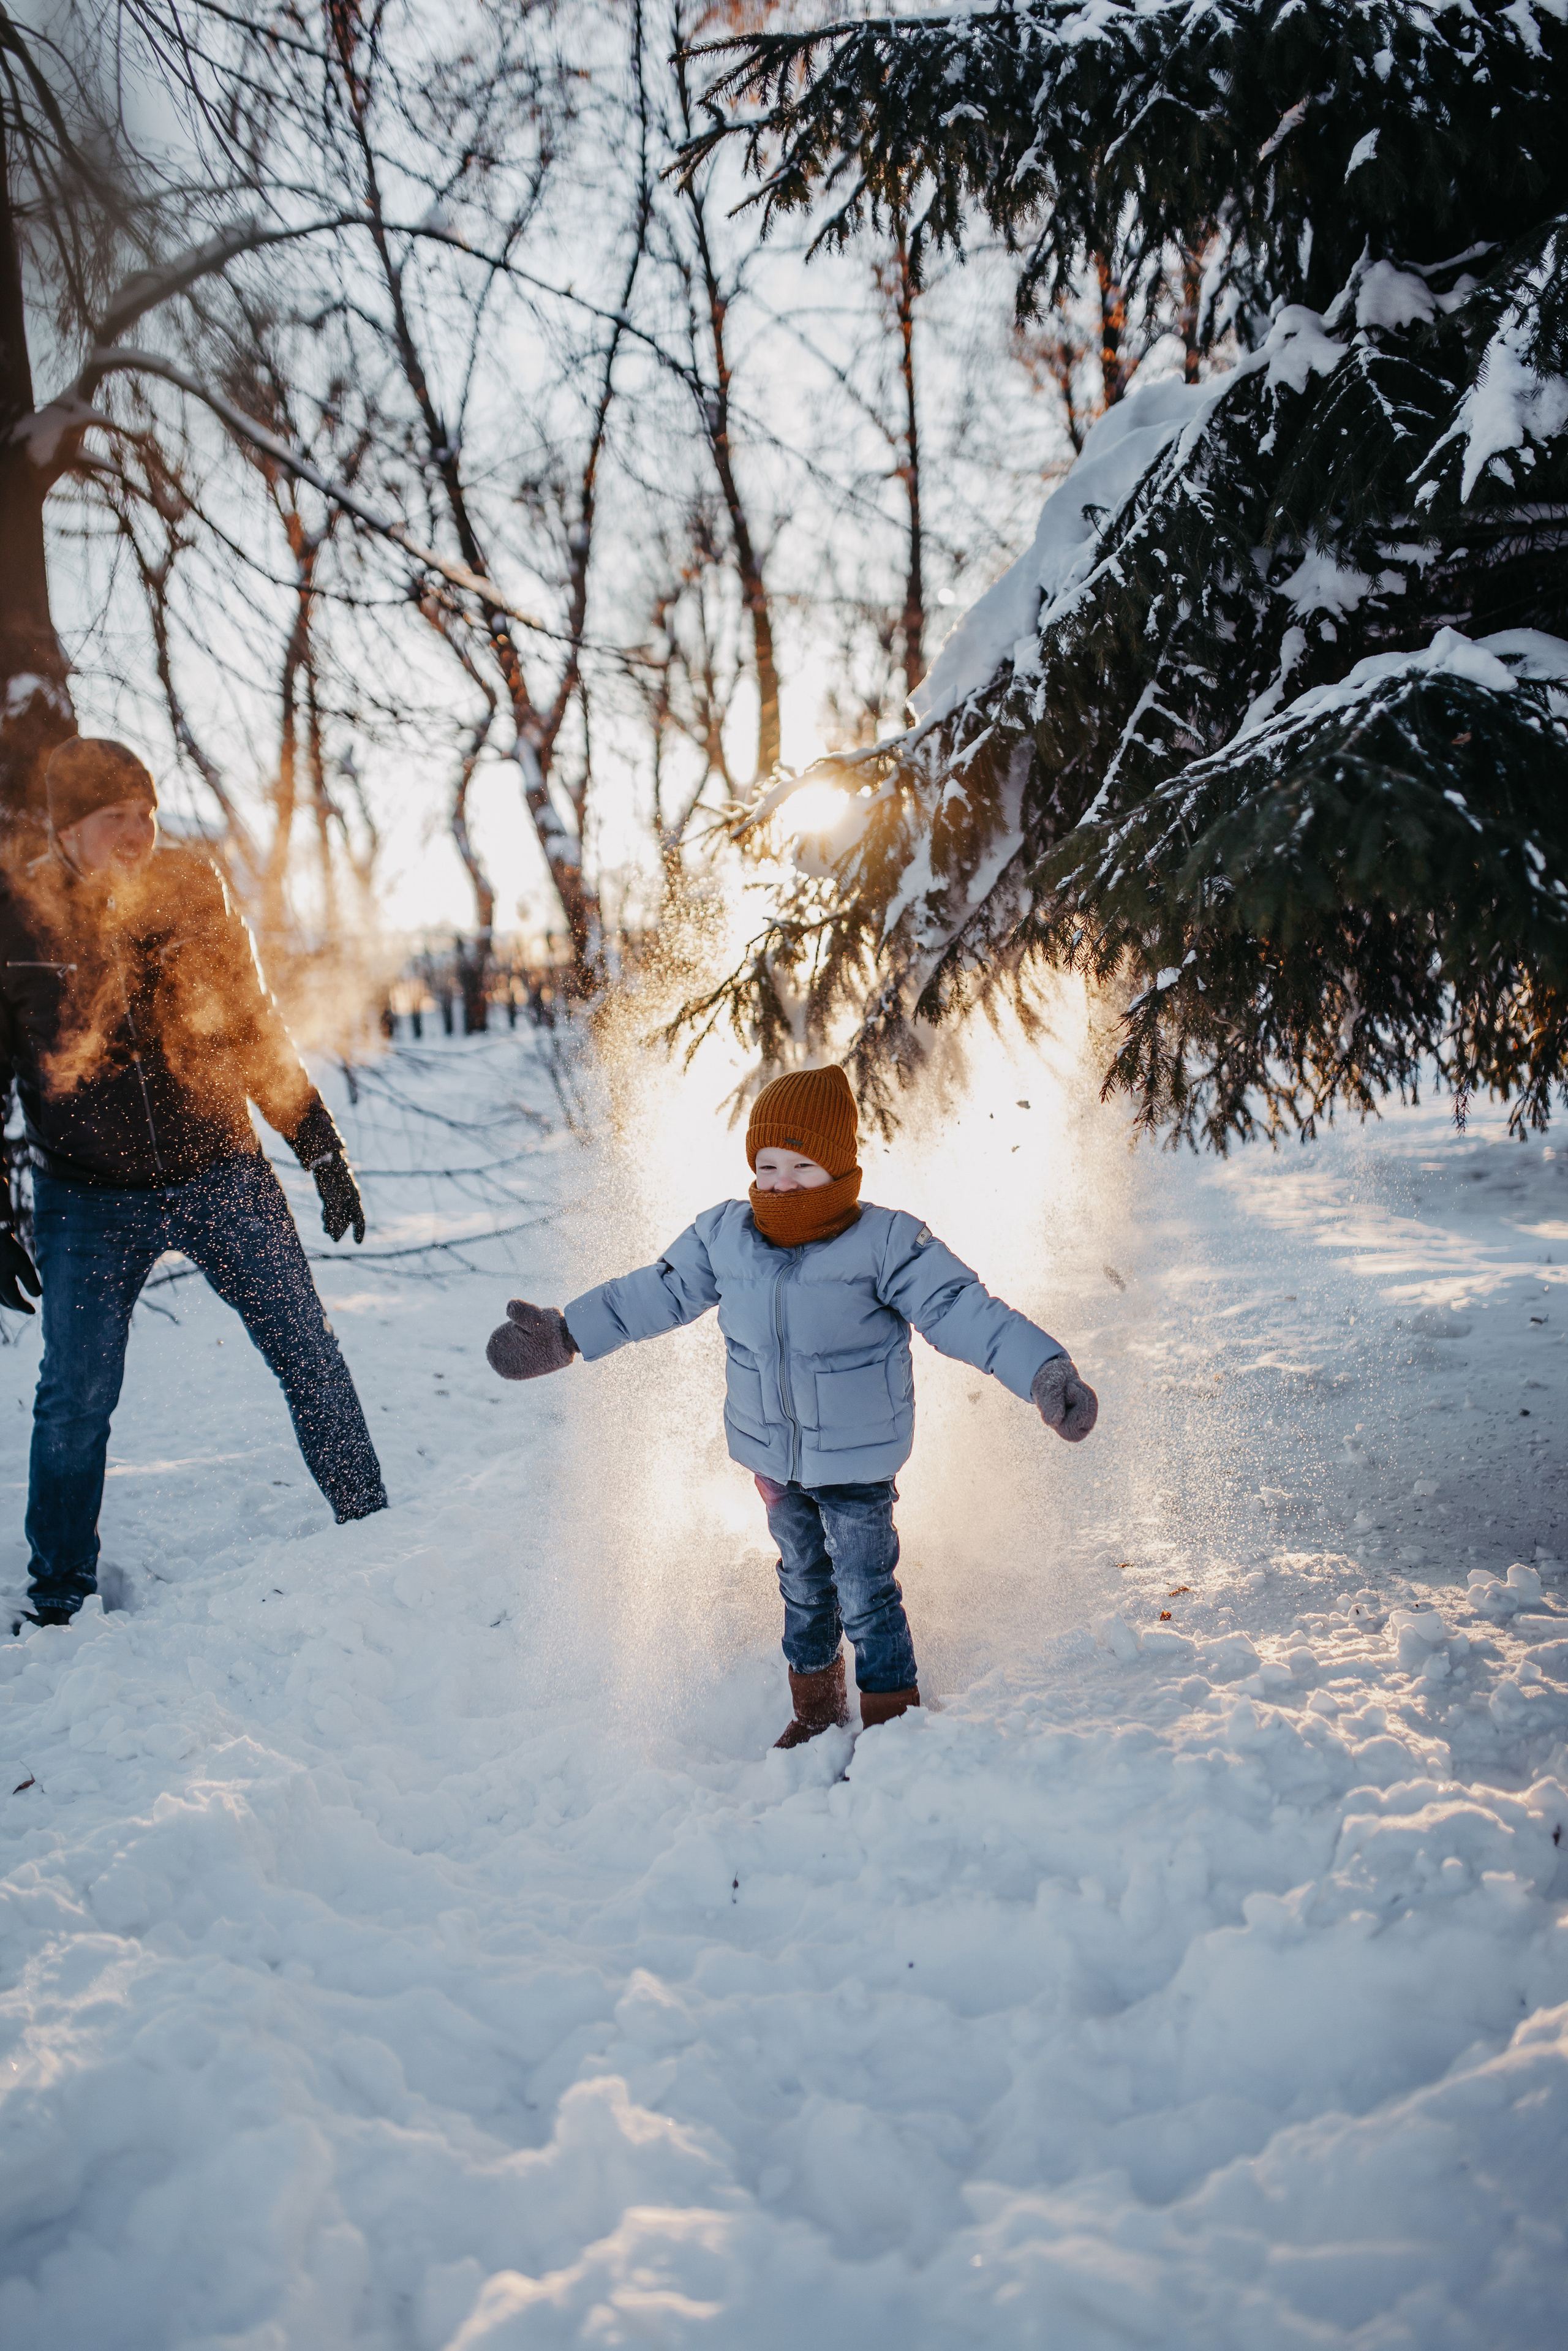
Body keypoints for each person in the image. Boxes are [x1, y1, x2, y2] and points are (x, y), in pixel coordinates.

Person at [484, 1065, 1098, 1748]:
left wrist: (1042, 1370)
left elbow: (966, 1312)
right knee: (803, 1586)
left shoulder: (887, 1243)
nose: (779, 1181)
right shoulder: (724, 1237)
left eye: (802, 1165)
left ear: (838, 1168)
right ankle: (815, 1712)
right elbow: (652, 1293)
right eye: (768, 1163)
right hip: (772, 1460)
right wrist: (567, 1332)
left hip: (857, 1464)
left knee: (866, 1592)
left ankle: (893, 1723)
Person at [0, 737, 386, 1631]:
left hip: (219, 1165)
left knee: (308, 1351)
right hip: (86, 1195)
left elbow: (250, 1021)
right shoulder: (16, 916)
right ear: (68, 829)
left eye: (148, 813)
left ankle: (371, 1530)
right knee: (76, 1393)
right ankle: (60, 1593)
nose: (140, 833)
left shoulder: (192, 885)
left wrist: (317, 1144)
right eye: (115, 819)